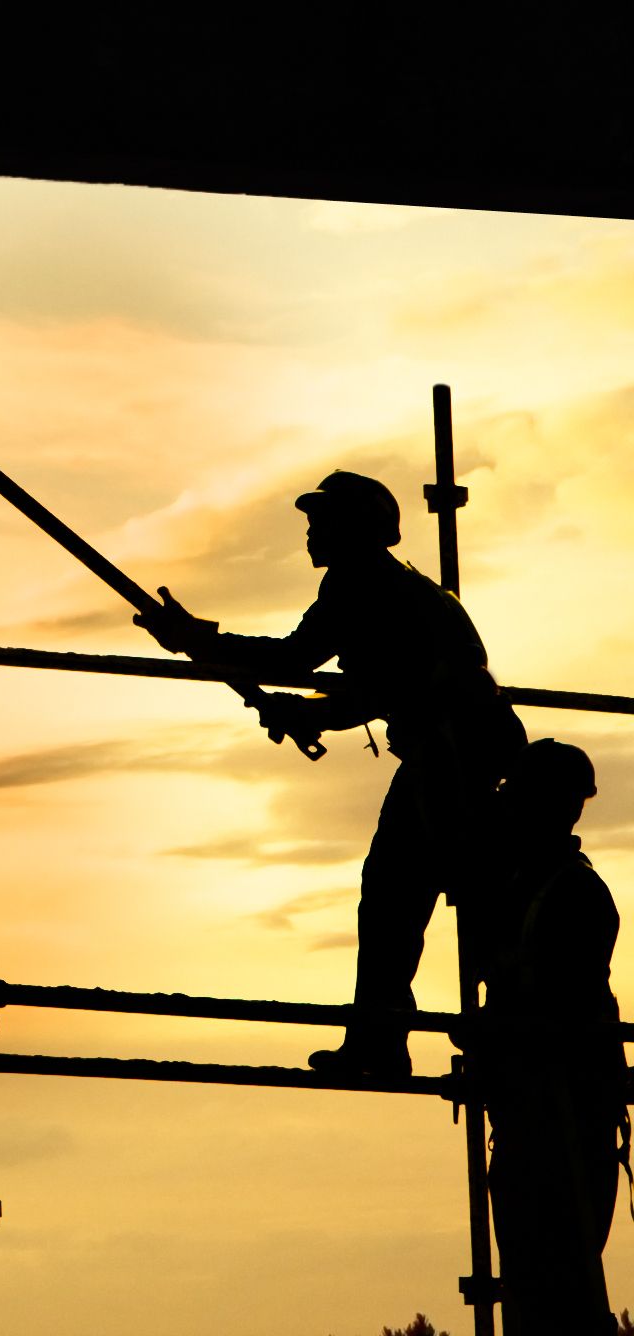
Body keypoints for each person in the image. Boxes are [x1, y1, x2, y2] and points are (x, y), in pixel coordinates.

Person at [136, 469, 527, 1077]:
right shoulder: (396, 587)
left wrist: (196, 640)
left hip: (452, 754)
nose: (312, 534)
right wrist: (307, 709)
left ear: (358, 529)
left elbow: (304, 662)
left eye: (322, 522)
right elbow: (377, 686)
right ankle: (447, 1039)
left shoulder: (360, 584)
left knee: (400, 895)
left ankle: (391, 1044)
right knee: (460, 898)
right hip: (470, 749)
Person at [473, 740, 623, 1334]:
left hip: (562, 1111)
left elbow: (558, 1007)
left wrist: (497, 1032)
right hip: (530, 1110)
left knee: (559, 1273)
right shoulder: (521, 886)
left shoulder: (574, 895)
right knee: (535, 1280)